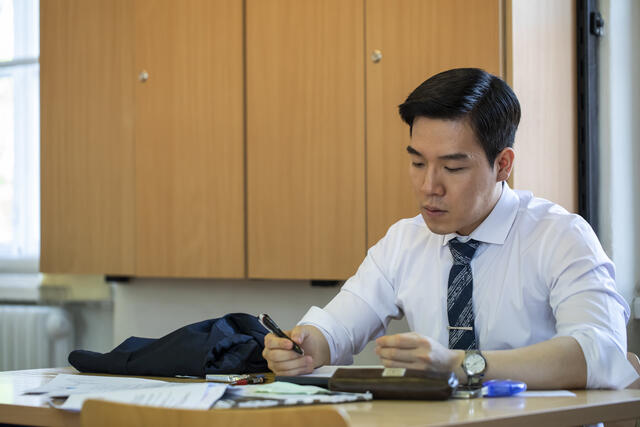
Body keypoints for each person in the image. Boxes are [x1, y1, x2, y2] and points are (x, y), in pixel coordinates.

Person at [262, 68, 637, 389]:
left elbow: (601, 351)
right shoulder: (404, 241)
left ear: (503, 164)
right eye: (418, 163)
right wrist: (306, 346)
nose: (430, 186)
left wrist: (461, 364)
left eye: (453, 168)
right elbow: (338, 327)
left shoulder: (560, 237)